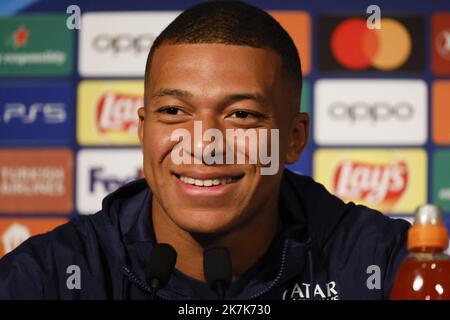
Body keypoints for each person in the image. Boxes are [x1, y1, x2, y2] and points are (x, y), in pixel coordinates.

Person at [0, 0, 409, 300]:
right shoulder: (44, 279)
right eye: (174, 111)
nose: (204, 145)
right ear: (143, 131)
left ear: (293, 139)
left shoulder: (388, 266)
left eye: (242, 116)